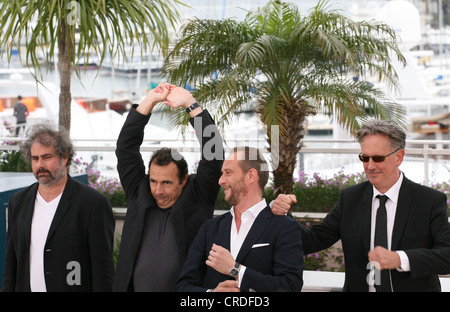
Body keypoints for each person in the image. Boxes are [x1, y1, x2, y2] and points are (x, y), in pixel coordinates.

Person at [273, 119, 450, 292]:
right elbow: (312, 242)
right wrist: (283, 214)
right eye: (365, 158)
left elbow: (447, 256)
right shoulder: (350, 199)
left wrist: (400, 259)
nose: (370, 166)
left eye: (378, 158)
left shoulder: (429, 201)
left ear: (399, 157)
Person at [113, 83, 224, 292]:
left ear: (184, 180)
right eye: (153, 181)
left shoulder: (199, 195)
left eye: (167, 183)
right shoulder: (140, 191)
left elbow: (214, 155)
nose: (158, 190)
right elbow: (125, 149)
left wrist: (191, 104)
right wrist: (150, 100)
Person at [2, 123, 115, 292]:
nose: (40, 165)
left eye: (47, 157)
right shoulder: (17, 202)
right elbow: (11, 265)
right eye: (35, 158)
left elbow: (103, 273)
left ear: (64, 157)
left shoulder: (93, 204)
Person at [176, 146, 304, 292]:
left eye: (228, 173)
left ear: (251, 176)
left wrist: (236, 269)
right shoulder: (210, 228)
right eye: (222, 174)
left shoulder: (285, 227)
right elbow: (183, 286)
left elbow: (290, 287)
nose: (220, 181)